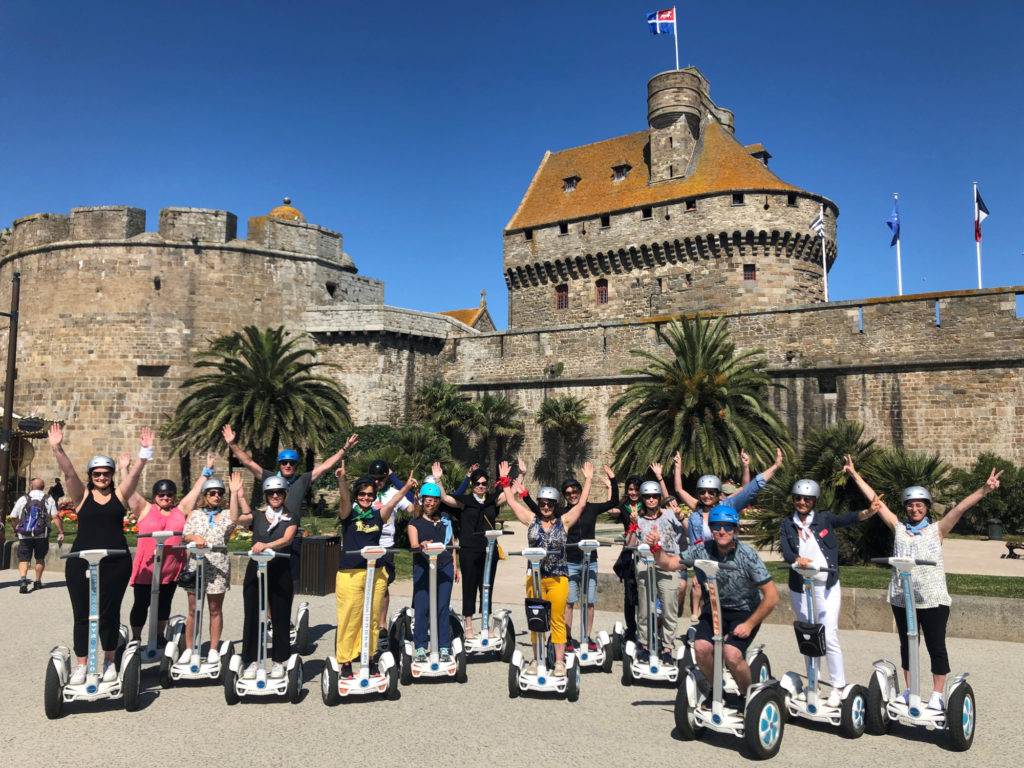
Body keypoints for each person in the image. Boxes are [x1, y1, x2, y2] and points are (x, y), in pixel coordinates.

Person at [843, 455, 1002, 710]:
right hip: (901, 597)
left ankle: (938, 694)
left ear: (926, 507)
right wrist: (854, 475)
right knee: (908, 645)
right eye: (910, 505)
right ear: (906, 507)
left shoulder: (937, 530)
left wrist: (984, 489)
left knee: (935, 645)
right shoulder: (899, 528)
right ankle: (910, 691)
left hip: (932, 599)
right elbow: (877, 503)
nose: (914, 509)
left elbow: (959, 509)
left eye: (919, 505)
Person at [48, 423, 150, 685]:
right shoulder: (82, 497)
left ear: (112, 475)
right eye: (96, 474)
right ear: (91, 475)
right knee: (82, 613)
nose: (101, 477)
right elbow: (69, 473)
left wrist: (144, 453)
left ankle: (108, 660)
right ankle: (82, 664)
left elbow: (135, 477)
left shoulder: (119, 495)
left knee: (109, 613)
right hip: (81, 561)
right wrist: (58, 448)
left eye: (106, 473)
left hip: (115, 562)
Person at [647, 505, 778, 697]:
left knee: (731, 654)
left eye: (728, 527)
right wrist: (656, 547)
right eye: (717, 526)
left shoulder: (748, 556)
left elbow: (772, 596)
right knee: (700, 648)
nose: (722, 531)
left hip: (744, 612)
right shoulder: (702, 549)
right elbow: (669, 564)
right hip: (716, 608)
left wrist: (749, 624)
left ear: (736, 529)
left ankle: (746, 696)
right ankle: (717, 692)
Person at [778, 476, 880, 706]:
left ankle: (838, 686)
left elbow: (848, 519)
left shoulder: (824, 519)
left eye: (806, 499)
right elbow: (785, 550)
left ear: (814, 500)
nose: (802, 502)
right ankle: (813, 682)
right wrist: (796, 559)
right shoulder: (787, 523)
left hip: (827, 586)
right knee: (808, 633)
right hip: (801, 587)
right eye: (798, 498)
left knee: (829, 634)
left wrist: (869, 512)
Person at [222, 424, 357, 587]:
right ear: (279, 464)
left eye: (291, 463)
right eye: (284, 462)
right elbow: (248, 462)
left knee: (291, 580)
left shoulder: (302, 480)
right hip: (269, 534)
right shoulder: (269, 478)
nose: (288, 465)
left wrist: (345, 449)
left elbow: (325, 466)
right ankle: (269, 612)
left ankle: (283, 611)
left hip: (292, 536)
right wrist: (232, 443)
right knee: (267, 579)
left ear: (295, 465)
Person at [498, 460, 593, 677]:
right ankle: (536, 658)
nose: (546, 507)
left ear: (556, 505)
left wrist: (588, 480)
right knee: (536, 619)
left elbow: (581, 505)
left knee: (557, 619)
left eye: (550, 504)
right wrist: (505, 480)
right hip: (535, 578)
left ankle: (559, 662)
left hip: (558, 578)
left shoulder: (564, 522)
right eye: (543, 504)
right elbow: (512, 503)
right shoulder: (531, 520)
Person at [666, 448, 783, 621]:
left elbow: (750, 488)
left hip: (726, 561)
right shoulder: (696, 511)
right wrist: (678, 466)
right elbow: (679, 490)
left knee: (726, 599)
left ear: (718, 494)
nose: (706, 495)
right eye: (703, 492)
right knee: (706, 599)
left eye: (711, 492)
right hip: (704, 563)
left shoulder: (728, 506)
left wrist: (774, 466)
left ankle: (729, 632)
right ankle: (707, 635)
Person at [334, 463, 415, 678]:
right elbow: (344, 500)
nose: (366, 498)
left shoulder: (378, 515)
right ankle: (346, 661)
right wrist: (342, 480)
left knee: (371, 619)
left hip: (375, 572)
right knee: (350, 617)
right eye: (362, 494)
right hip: (350, 573)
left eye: (370, 495)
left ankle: (368, 658)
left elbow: (394, 501)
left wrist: (406, 486)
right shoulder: (348, 514)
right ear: (357, 495)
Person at [124, 456, 202, 645]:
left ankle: (159, 637)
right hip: (148, 568)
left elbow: (195, 492)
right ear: (155, 496)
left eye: (169, 495)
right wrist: (124, 469)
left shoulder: (180, 510)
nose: (165, 498)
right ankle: (136, 638)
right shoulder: (144, 509)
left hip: (171, 568)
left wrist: (206, 472)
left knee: (164, 604)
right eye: (161, 495)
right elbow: (128, 491)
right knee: (141, 604)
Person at [235, 474, 302, 679]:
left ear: (284, 494)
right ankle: (253, 660)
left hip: (280, 569)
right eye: (271, 493)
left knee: (281, 616)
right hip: (256, 570)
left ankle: (279, 661)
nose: (275, 496)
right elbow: (236, 519)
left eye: (279, 492)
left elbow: (287, 539)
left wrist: (266, 546)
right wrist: (236, 496)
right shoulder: (256, 516)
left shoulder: (291, 517)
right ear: (266, 495)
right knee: (253, 615)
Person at [435, 461, 507, 638]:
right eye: (477, 484)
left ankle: (486, 624)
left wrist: (513, 477)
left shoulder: (491, 500)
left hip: (489, 550)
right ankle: (468, 625)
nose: (481, 486)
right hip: (469, 549)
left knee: (487, 586)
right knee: (469, 587)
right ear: (473, 485)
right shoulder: (465, 502)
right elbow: (444, 498)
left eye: (483, 483)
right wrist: (438, 479)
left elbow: (510, 496)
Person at [179, 460, 241, 665]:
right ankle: (189, 648)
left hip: (218, 566)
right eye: (212, 493)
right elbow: (185, 535)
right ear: (205, 496)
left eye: (219, 493)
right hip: (196, 565)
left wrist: (234, 494)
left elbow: (234, 518)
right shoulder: (196, 515)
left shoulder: (225, 516)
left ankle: (213, 648)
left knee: (215, 609)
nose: (216, 496)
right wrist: (195, 538)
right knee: (193, 609)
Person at [625, 479, 685, 665]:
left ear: (659, 498)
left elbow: (690, 533)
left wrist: (681, 517)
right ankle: (643, 645)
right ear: (643, 499)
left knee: (669, 608)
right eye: (647, 497)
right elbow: (630, 544)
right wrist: (633, 525)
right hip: (645, 564)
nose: (651, 500)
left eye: (654, 496)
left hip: (668, 564)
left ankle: (667, 647)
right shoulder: (639, 518)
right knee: (644, 608)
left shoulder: (670, 514)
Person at [562, 466, 618, 652]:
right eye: (568, 493)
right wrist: (524, 495)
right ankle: (568, 638)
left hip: (590, 561)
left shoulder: (591, 509)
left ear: (580, 491)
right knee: (569, 602)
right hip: (570, 562)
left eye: (575, 491)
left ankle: (586, 636)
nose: (572, 495)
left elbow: (614, 502)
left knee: (589, 601)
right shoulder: (563, 513)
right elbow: (539, 513)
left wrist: (613, 480)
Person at [406, 480, 458, 662]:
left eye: (434, 500)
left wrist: (455, 566)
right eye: (427, 499)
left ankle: (444, 646)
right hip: (423, 567)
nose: (431, 503)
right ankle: (420, 646)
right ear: (421, 500)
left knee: (443, 607)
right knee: (422, 607)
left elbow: (451, 545)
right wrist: (420, 545)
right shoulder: (415, 523)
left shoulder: (445, 520)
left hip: (444, 567)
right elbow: (413, 545)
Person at [365, 458, 413, 642]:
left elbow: (410, 508)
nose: (377, 482)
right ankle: (367, 620)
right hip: (367, 544)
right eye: (374, 478)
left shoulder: (393, 493)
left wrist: (408, 491)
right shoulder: (364, 493)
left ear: (386, 478)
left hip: (385, 545)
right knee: (365, 585)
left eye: (381, 479)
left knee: (383, 585)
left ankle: (382, 623)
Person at [10, 477, 63, 592]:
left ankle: (23, 580)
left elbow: (14, 517)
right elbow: (55, 516)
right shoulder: (48, 499)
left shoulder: (23, 499)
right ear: (43, 488)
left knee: (23, 557)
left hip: (24, 534)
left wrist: (16, 529)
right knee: (40, 558)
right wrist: (61, 531)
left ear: (31, 486)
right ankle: (37, 582)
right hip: (42, 534)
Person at [609, 474, 644, 644]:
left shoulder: (648, 505)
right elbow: (610, 509)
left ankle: (647, 627)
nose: (633, 492)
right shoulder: (624, 508)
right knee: (629, 595)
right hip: (629, 554)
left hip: (646, 554)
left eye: (636, 489)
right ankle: (631, 628)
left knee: (645, 593)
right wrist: (611, 486)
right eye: (630, 489)